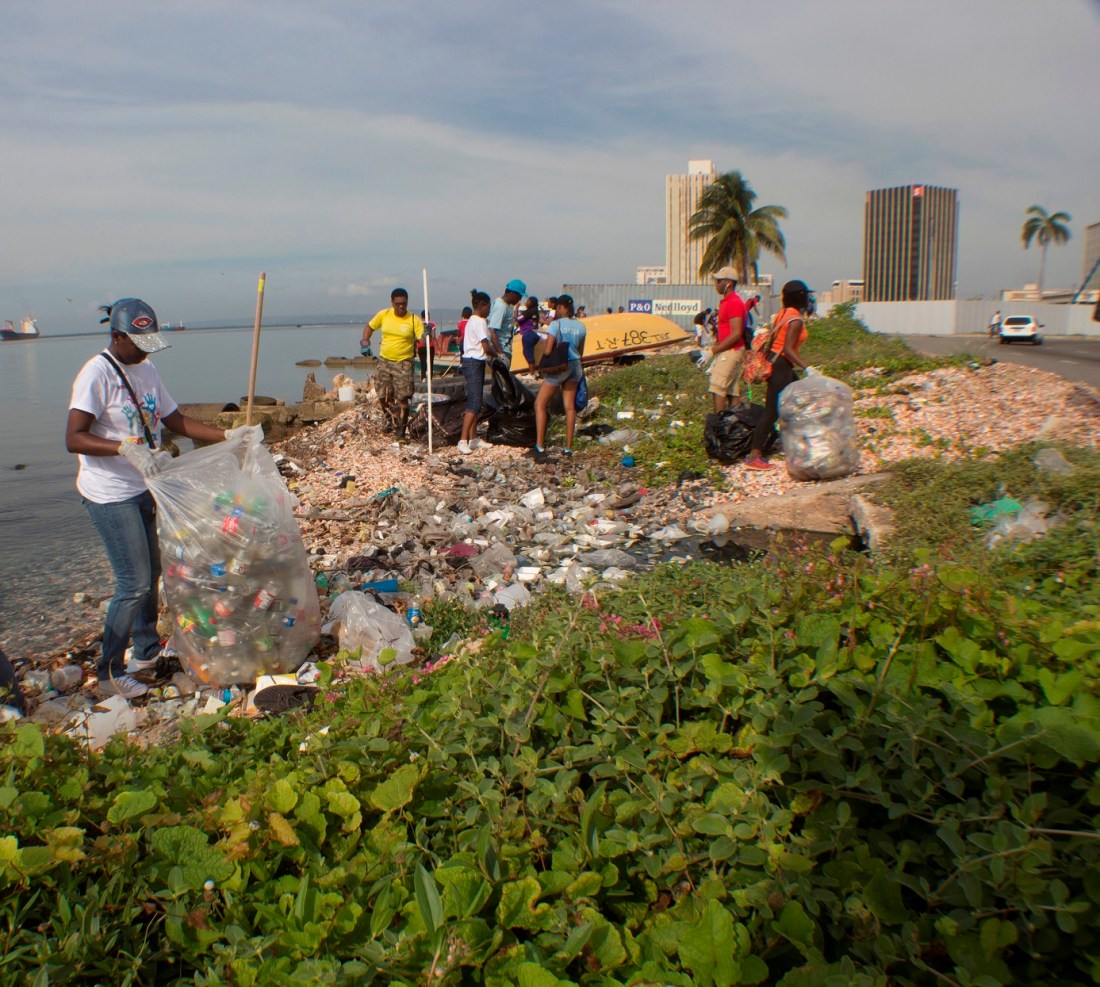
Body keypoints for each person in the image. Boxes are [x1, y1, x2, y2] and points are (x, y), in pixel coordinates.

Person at [65, 298, 247, 699]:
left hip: (147, 487)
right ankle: (110, 671)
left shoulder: (146, 370)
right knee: (131, 583)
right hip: (110, 494)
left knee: (151, 578)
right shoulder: (96, 374)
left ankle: (144, 655)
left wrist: (230, 436)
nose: (146, 348)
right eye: (138, 341)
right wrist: (124, 449)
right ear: (117, 336)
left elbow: (173, 419)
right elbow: (73, 437)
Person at [744, 280, 814, 471]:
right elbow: (789, 349)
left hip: (777, 364)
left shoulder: (783, 314)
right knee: (772, 411)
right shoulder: (796, 320)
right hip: (782, 367)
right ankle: (754, 455)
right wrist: (807, 367)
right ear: (801, 297)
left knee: (798, 403)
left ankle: (797, 443)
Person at [361, 287, 425, 440]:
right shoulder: (384, 315)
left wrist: (427, 334)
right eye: (398, 304)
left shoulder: (413, 319)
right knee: (382, 395)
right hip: (384, 361)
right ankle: (390, 421)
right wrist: (365, 343)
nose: (401, 306)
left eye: (404, 303)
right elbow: (369, 327)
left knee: (403, 398)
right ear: (392, 303)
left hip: (404, 363)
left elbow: (422, 339)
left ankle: (401, 433)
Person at [532, 294, 586, 460]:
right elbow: (580, 352)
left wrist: (542, 346)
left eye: (557, 308)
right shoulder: (581, 326)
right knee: (569, 407)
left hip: (559, 368)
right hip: (575, 366)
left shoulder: (556, 325)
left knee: (540, 403)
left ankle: (540, 446)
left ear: (562, 308)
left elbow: (548, 350)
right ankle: (568, 448)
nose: (556, 311)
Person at [457, 290, 500, 455]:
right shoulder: (480, 321)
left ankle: (474, 438)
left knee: (476, 398)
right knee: (474, 403)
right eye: (488, 307)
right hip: (474, 362)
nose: (489, 310)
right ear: (481, 306)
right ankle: (462, 440)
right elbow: (486, 346)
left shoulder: (471, 321)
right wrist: (497, 356)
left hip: (472, 362)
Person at [707, 266, 748, 413]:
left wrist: (713, 351)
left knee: (717, 387)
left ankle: (719, 425)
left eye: (718, 281)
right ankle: (734, 426)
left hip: (732, 350)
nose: (716, 284)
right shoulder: (725, 302)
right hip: (728, 350)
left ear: (728, 283)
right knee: (732, 391)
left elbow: (736, 333)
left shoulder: (734, 302)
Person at [488, 279, 526, 365]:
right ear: (512, 293)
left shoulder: (507, 305)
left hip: (505, 349)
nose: (520, 299)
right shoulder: (501, 306)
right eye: (519, 296)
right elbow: (492, 331)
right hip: (501, 350)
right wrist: (501, 355)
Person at [417, 310, 437, 382]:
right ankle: (430, 378)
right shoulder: (432, 324)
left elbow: (417, 336)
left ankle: (423, 378)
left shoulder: (418, 324)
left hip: (421, 346)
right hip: (430, 345)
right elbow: (434, 336)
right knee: (430, 362)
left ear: (421, 316)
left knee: (423, 362)